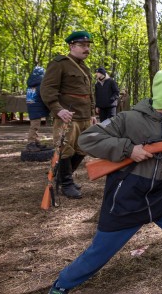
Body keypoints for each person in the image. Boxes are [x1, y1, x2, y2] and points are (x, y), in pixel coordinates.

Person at [48, 70, 162, 294]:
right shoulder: (128, 119)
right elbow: (88, 139)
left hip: (160, 196)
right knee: (99, 253)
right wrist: (129, 149)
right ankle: (61, 285)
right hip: (127, 197)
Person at [40, 30, 97, 199]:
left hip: (84, 116)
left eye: (88, 45)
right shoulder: (60, 63)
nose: (86, 49)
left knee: (82, 149)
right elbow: (47, 89)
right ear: (72, 46)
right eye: (82, 45)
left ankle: (64, 178)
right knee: (65, 149)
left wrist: (92, 113)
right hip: (68, 116)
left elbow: (88, 93)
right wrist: (58, 109)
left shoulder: (84, 67)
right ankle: (65, 183)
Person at [25, 66, 51, 151]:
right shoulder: (40, 85)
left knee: (35, 126)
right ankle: (31, 143)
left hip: (32, 107)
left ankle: (36, 142)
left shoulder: (30, 85)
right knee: (34, 127)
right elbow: (44, 96)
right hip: (36, 108)